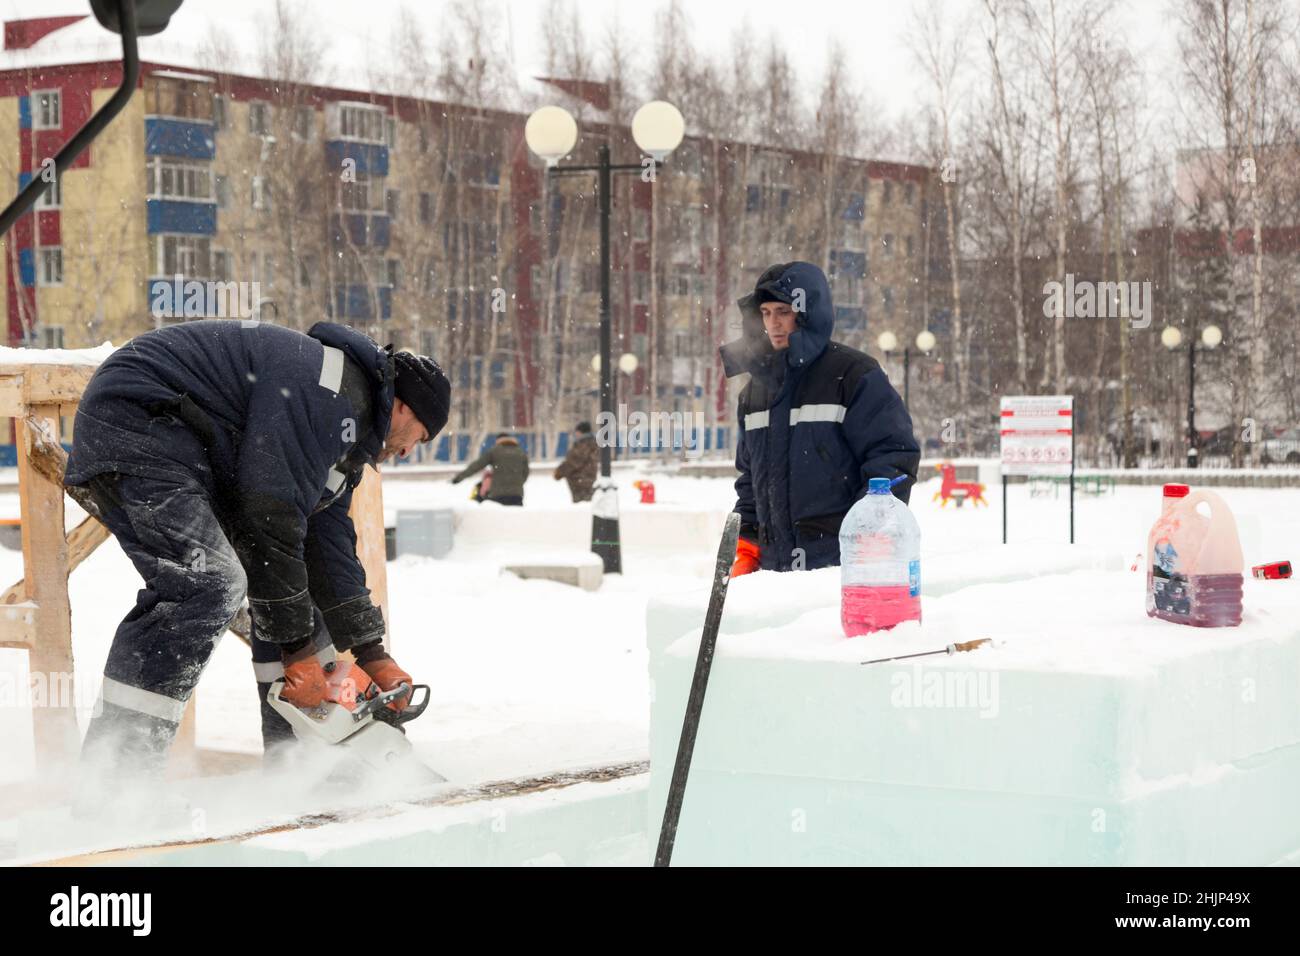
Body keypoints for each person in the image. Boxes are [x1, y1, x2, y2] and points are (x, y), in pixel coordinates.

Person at [64, 319, 451, 782]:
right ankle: (115, 782)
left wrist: (372, 653)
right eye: (421, 438)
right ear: (405, 407)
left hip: (190, 446)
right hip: (140, 422)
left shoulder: (347, 429)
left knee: (293, 596)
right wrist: (297, 651)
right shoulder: (329, 395)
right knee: (207, 585)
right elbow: (270, 517)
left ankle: (303, 771)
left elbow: (323, 544)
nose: (408, 452)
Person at [719, 261, 920, 575]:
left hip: (839, 572)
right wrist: (747, 546)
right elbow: (749, 483)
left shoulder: (852, 375)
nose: (773, 323)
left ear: (808, 311)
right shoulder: (753, 395)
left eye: (784, 312)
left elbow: (893, 457)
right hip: (773, 575)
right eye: (766, 312)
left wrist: (867, 537)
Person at [452, 432, 529, 505]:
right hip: (517, 495)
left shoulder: (494, 451)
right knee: (515, 518)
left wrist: (458, 478)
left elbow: (476, 466)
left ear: (498, 440)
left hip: (498, 494)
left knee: (497, 518)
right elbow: (526, 473)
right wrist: (515, 484)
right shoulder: (521, 453)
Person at [553, 420, 599, 502]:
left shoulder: (584, 444)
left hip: (581, 481)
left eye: (577, 432)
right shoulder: (589, 443)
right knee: (585, 504)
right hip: (585, 480)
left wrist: (559, 472)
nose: (575, 434)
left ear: (581, 432)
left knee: (582, 505)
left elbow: (573, 461)